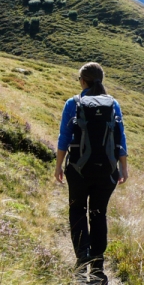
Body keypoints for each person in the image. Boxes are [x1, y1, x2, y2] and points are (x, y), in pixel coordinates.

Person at [54, 62, 129, 284]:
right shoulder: (113, 104)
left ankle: (82, 261)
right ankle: (97, 270)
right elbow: (120, 137)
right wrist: (123, 167)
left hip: (78, 169)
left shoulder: (73, 103)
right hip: (106, 171)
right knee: (99, 213)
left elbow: (64, 137)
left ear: (82, 81)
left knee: (77, 209)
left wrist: (58, 165)